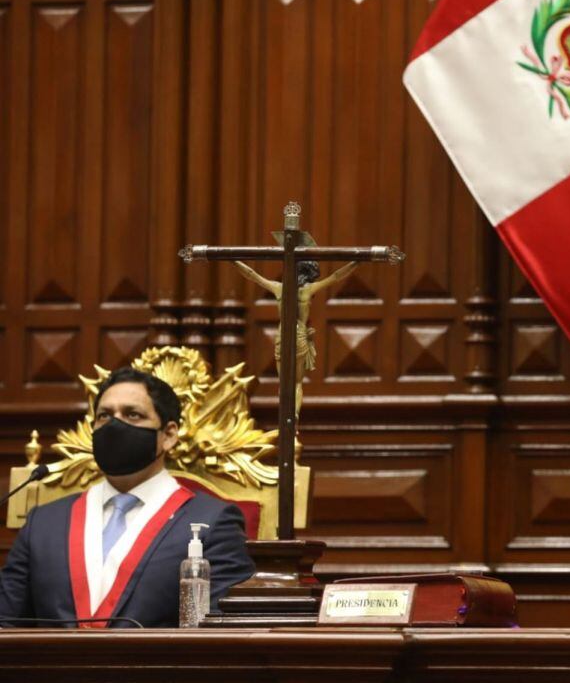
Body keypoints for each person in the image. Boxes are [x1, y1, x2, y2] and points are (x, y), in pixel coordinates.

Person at [0, 368, 255, 627]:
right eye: (104, 416)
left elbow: (221, 632)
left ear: (168, 435)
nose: (114, 425)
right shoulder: (43, 523)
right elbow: (6, 624)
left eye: (132, 415)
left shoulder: (213, 522)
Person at [232, 259, 359, 416]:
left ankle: (285, 417)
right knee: (297, 383)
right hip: (299, 334)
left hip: (282, 334)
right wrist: (356, 262)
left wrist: (233, 260)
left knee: (284, 382)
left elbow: (252, 275)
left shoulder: (279, 288)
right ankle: (294, 417)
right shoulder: (308, 290)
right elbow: (336, 276)